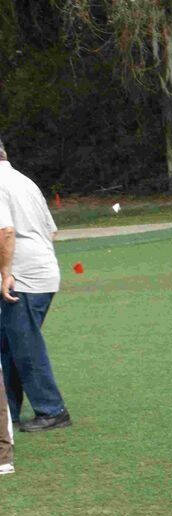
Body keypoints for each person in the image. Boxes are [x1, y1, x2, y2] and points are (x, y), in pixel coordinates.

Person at [0, 134, 71, 433]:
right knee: (10, 343)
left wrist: (6, 273)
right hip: (43, 272)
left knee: (25, 345)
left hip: (24, 278)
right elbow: (50, 230)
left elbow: (5, 232)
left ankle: (52, 410)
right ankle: (8, 411)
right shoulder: (25, 181)